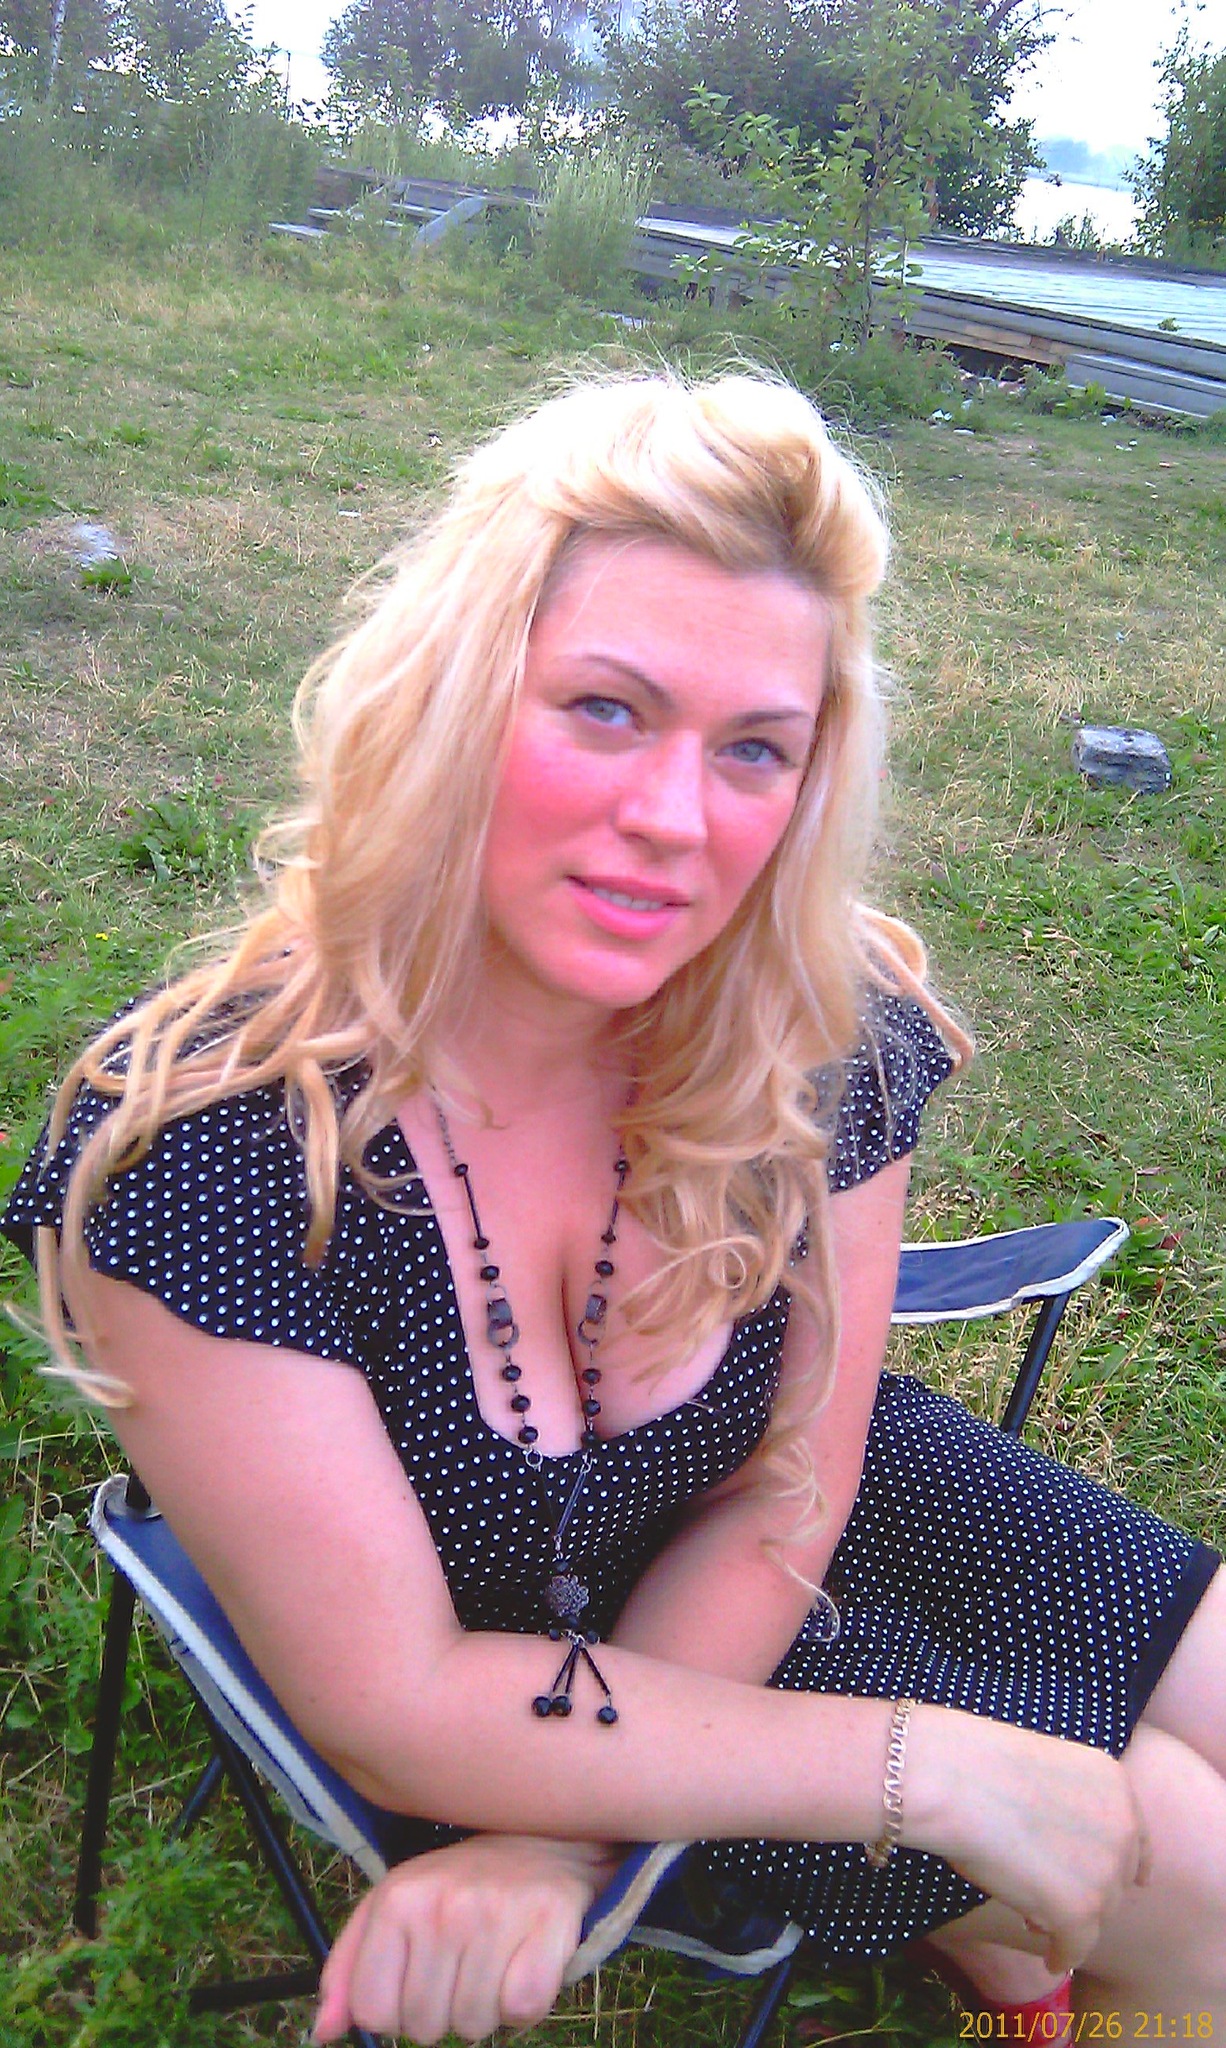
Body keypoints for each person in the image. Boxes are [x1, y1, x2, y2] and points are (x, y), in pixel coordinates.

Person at [4, 373, 1223, 2048]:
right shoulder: (210, 1154)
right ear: (450, 701)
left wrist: (559, 1846)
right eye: (603, 708)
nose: (673, 822)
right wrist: (919, 1767)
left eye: (752, 750)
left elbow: (796, 1480)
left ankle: (1005, 1940)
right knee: (1193, 1872)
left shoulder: (821, 1024)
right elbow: (394, 1698)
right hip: (518, 1657)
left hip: (780, 1509)